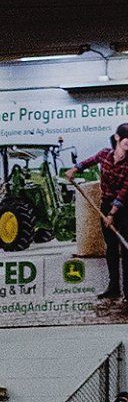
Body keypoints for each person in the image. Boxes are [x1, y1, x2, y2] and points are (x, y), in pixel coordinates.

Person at [69, 122, 128, 300]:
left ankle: (127, 291)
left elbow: (125, 190)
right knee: (111, 248)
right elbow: (89, 162)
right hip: (105, 204)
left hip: (124, 208)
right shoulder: (104, 154)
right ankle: (114, 288)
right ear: (118, 137)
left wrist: (112, 214)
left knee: (125, 250)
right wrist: (74, 169)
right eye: (126, 139)